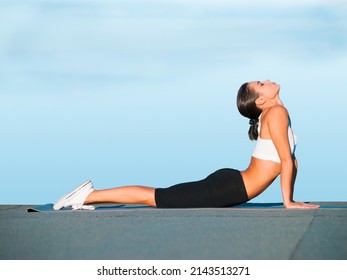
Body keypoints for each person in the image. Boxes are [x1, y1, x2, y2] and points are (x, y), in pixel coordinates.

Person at [53, 80, 320, 210]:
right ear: (260, 101)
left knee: (158, 195)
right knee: (155, 197)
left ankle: (89, 195)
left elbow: (291, 161)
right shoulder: (275, 114)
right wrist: (289, 202)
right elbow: (287, 161)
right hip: (227, 188)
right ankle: (87, 195)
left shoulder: (274, 113)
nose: (267, 80)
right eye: (261, 83)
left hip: (231, 184)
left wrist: (291, 199)